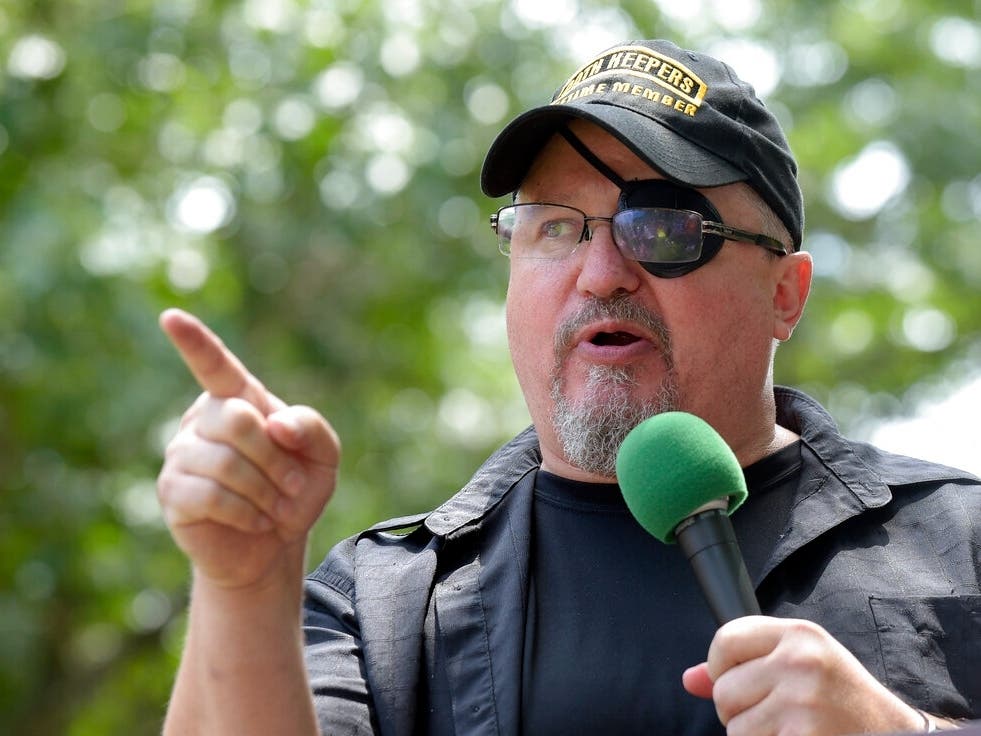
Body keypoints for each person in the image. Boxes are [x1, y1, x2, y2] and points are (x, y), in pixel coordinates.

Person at [156, 39, 981, 735]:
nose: (599, 273)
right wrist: (244, 587)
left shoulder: (959, 538)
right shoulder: (383, 607)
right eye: (554, 227)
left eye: (662, 227)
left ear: (784, 295)